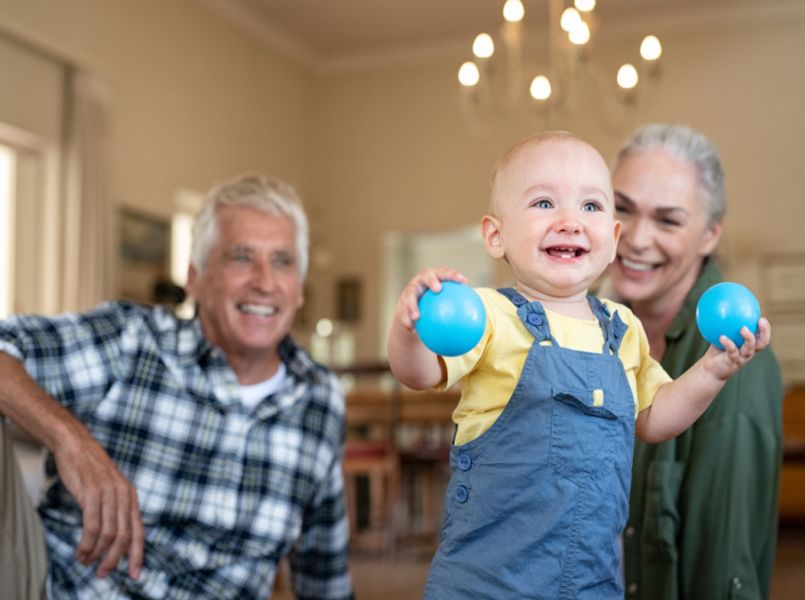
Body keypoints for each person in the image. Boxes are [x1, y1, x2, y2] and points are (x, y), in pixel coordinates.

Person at [386, 131, 772, 599]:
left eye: (590, 206)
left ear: (611, 239)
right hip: (490, 582)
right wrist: (410, 329)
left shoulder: (622, 329)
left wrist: (711, 371)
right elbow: (420, 373)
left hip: (591, 582)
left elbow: (654, 417)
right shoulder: (490, 316)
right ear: (496, 235)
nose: (570, 221)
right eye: (544, 203)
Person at [0, 174, 353, 599]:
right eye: (241, 257)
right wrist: (69, 439)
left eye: (282, 261)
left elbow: (324, 576)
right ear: (195, 278)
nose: (264, 281)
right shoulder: (131, 341)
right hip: (55, 588)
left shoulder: (320, 399)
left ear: (298, 290)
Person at [607, 123, 783, 599]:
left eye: (668, 220)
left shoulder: (734, 364)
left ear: (709, 235)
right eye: (622, 208)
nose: (636, 238)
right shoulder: (600, 332)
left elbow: (723, 573)